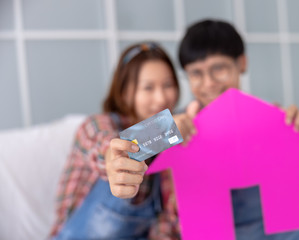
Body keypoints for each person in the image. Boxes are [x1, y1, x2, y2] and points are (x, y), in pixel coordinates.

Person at [108, 20, 299, 239]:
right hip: (214, 233)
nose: (208, 83)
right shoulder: (177, 124)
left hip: (278, 231)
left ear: (241, 63)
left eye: (219, 68)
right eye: (196, 73)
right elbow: (125, 149)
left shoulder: (274, 117)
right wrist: (165, 134)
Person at [50, 42, 198, 239]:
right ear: (125, 93)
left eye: (168, 85)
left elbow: (164, 223)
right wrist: (165, 129)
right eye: (148, 87)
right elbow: (111, 151)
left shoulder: (173, 141)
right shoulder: (95, 126)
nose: (161, 97)